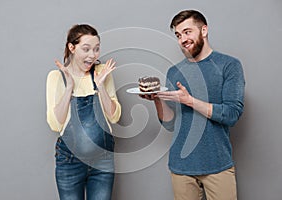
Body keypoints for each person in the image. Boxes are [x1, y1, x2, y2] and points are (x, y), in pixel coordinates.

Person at [141, 10, 245, 200]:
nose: (183, 39)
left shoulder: (229, 65)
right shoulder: (174, 72)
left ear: (203, 30)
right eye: (179, 35)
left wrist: (190, 101)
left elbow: (231, 114)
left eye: (188, 32)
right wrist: (157, 99)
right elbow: (171, 124)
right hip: (181, 167)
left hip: (217, 164)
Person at [46, 24, 121, 200]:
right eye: (86, 49)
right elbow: (55, 124)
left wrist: (101, 86)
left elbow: (114, 117)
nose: (92, 55)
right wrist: (69, 87)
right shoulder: (56, 77)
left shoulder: (103, 73)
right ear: (71, 48)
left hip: (103, 160)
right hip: (69, 163)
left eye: (96, 49)